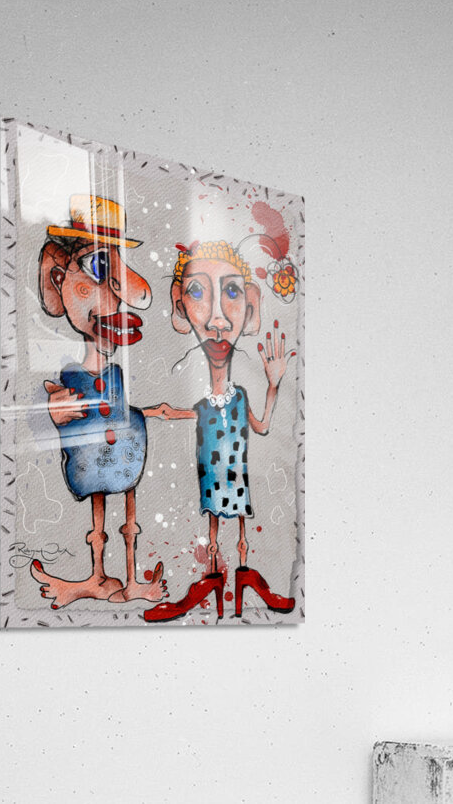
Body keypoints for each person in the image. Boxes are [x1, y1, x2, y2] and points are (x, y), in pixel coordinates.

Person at [144, 240, 295, 621]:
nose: (218, 321)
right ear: (179, 305)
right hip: (212, 480)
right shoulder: (203, 405)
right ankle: (213, 584)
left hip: (237, 479)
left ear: (251, 306)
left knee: (240, 531)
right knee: (213, 531)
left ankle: (242, 584)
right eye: (197, 291)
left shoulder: (240, 396)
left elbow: (262, 426)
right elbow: (175, 413)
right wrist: (147, 413)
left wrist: (273, 385)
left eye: (231, 292)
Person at [31, 195, 167, 609]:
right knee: (98, 515)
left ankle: (131, 580)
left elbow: (124, 411)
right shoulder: (71, 374)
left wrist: (154, 413)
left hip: (124, 455)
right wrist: (51, 412)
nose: (124, 293)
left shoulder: (116, 375)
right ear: (59, 279)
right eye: (100, 266)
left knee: (129, 512)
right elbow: (28, 421)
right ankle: (96, 576)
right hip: (93, 459)